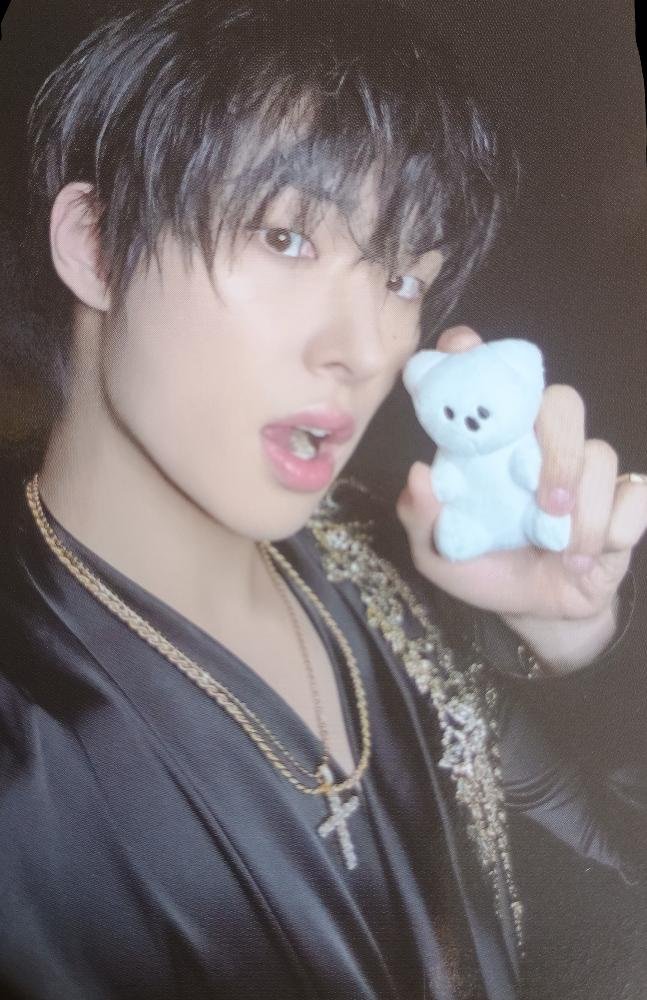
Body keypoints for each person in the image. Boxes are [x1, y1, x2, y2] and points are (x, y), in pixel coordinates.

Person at [0, 1, 646, 997]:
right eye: (284, 237)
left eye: (402, 277)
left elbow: (606, 891)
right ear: (96, 243)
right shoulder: (30, 765)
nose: (365, 347)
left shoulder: (380, 551)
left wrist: (577, 643)